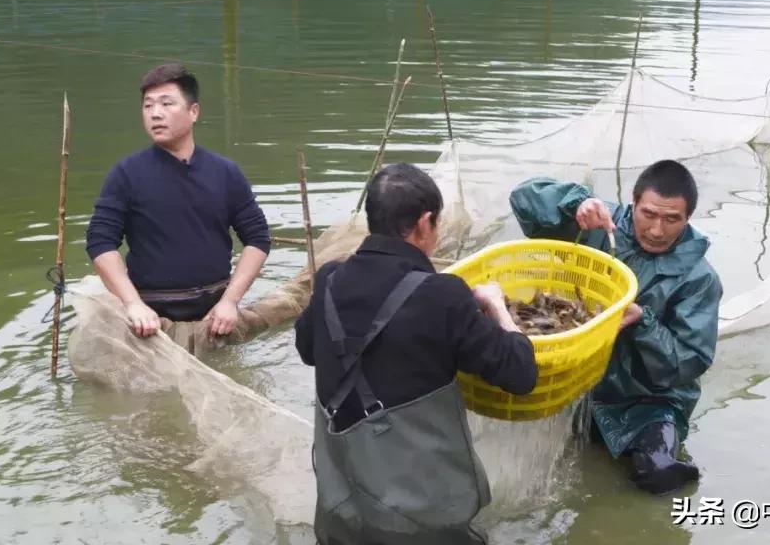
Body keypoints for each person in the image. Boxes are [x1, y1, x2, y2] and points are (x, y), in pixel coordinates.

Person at [294, 162, 538, 545]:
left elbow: (308, 351)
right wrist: (497, 308)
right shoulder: (443, 295)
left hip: (342, 514)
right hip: (423, 523)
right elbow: (521, 375)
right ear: (425, 223)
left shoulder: (329, 280)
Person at [509, 160, 722, 496]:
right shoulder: (598, 223)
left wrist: (643, 322)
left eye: (671, 219)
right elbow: (524, 198)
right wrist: (574, 203)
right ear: (633, 203)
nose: (656, 230)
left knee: (659, 474)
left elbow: (689, 361)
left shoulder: (699, 278)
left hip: (647, 399)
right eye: (648, 214)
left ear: (688, 218)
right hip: (579, 380)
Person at [85, 63, 270, 339]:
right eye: (148, 106)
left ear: (193, 111)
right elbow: (100, 242)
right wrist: (133, 304)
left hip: (216, 312)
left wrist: (230, 302)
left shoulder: (225, 173)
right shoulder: (126, 174)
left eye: (166, 103)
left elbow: (258, 238)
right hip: (150, 319)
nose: (155, 114)